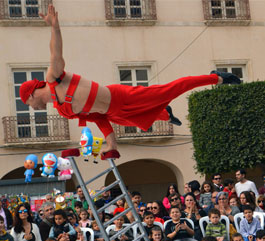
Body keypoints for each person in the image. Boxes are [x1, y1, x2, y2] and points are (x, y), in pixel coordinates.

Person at [19, 4, 241, 153]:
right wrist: (111, 144)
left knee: (172, 89)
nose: (31, 108)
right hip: (114, 113)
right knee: (143, 123)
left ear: (31, 94)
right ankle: (165, 113)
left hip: (121, 96)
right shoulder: (62, 110)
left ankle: (214, 78)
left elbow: (55, 53)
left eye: (28, 103)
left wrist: (55, 28)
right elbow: (98, 118)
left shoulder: (53, 79)